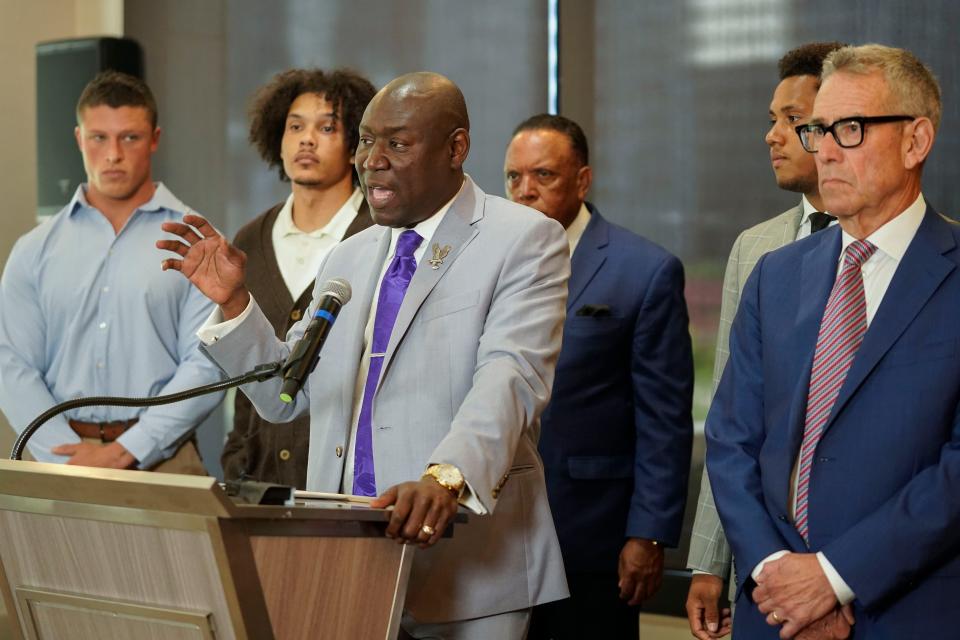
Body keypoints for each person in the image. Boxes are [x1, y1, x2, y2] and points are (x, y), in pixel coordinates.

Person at [158, 71, 569, 639]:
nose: (371, 159)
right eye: (366, 141)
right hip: (347, 556)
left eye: (396, 143)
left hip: (468, 560)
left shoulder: (524, 238)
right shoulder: (348, 257)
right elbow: (286, 395)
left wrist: (446, 477)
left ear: (456, 148)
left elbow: (510, 374)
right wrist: (234, 303)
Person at [707, 44, 956, 638]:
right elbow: (731, 439)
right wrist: (777, 575)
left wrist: (835, 577)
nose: (823, 150)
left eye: (850, 128)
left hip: (908, 610)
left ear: (915, 141)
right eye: (818, 129)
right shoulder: (775, 274)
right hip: (773, 614)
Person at [503, 114, 693, 639]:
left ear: (582, 181)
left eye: (543, 176)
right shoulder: (488, 262)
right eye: (514, 178)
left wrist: (649, 534)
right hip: (494, 534)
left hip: (591, 534)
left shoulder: (644, 270)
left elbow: (665, 419)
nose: (525, 192)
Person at [685, 41, 844, 639]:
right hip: (764, 555)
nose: (772, 136)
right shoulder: (756, 249)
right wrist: (709, 561)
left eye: (792, 120)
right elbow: (731, 419)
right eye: (771, 120)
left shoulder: (930, 256)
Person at [0, 71, 222, 473]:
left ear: (154, 139)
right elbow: (10, 363)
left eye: (130, 137)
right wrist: (63, 452)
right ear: (79, 139)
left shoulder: (197, 241)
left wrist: (128, 450)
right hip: (61, 461)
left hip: (164, 457)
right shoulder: (33, 250)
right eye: (99, 137)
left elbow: (208, 361)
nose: (113, 154)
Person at [221, 68, 376, 487]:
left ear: (355, 146)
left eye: (327, 127)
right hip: (259, 471)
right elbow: (244, 366)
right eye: (295, 126)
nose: (307, 139)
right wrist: (237, 452)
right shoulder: (250, 239)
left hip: (344, 476)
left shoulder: (379, 237)